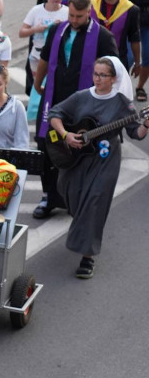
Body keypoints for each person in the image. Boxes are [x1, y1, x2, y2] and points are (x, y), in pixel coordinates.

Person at [47, 56, 148, 278]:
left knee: (94, 203)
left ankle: (87, 257)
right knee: (69, 193)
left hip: (105, 160)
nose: (98, 78)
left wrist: (146, 124)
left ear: (114, 79)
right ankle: (82, 226)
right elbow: (55, 114)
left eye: (103, 75)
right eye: (96, 74)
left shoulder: (123, 103)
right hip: (77, 158)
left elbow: (135, 133)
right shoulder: (82, 97)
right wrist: (66, 134)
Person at [33, 0, 119, 219]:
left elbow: (114, 72)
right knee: (47, 146)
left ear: (88, 13)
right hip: (54, 100)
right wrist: (37, 82)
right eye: (71, 15)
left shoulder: (102, 37)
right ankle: (48, 197)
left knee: (80, 152)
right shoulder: (56, 30)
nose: (73, 20)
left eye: (79, 16)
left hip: (84, 107)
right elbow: (44, 58)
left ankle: (75, 199)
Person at [21, 0, 70, 94]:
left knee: (54, 87)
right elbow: (21, 32)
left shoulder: (67, 11)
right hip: (37, 56)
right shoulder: (36, 10)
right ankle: (37, 109)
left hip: (58, 55)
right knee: (38, 88)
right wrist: (35, 29)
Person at [92, 0, 142, 70]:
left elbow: (134, 38)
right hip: (92, 59)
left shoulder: (131, 10)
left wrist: (137, 63)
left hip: (118, 61)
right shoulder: (91, 5)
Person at [123, 0, 149, 100]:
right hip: (135, 22)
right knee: (129, 56)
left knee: (148, 57)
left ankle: (140, 88)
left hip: (148, 24)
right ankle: (122, 86)